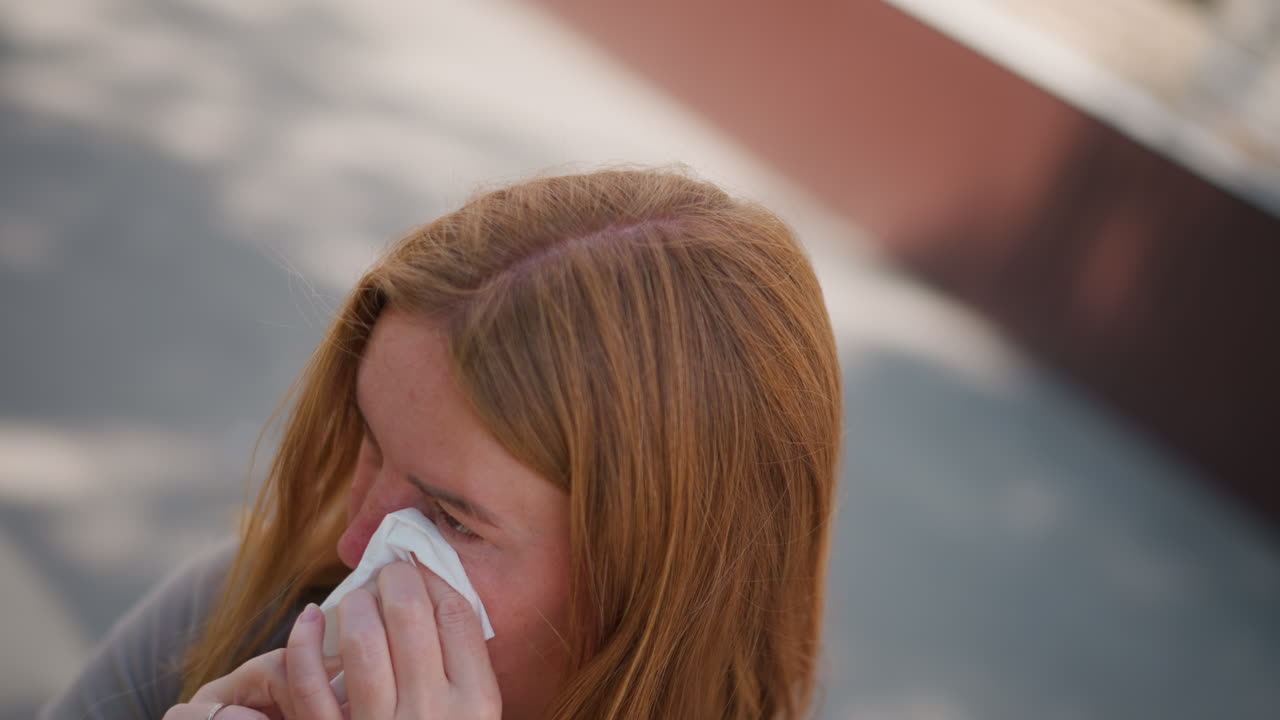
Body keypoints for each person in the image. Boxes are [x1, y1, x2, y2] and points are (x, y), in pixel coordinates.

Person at [41, 168, 843, 720]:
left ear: (660, 568)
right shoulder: (241, 609)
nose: (355, 545)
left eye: (453, 522)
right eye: (370, 442)